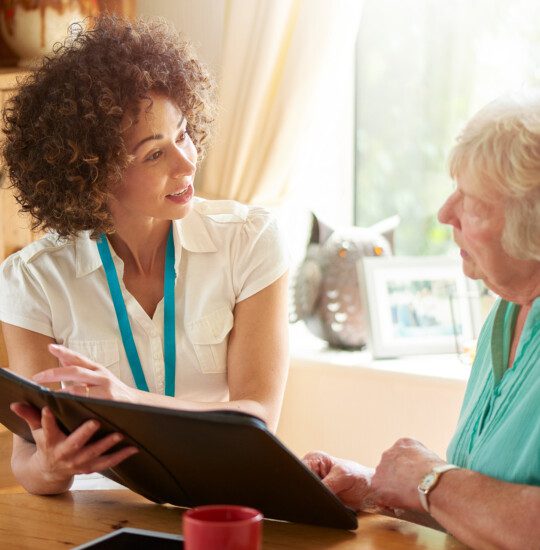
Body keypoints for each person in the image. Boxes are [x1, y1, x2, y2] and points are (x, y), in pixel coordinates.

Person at [0, 15, 289, 496]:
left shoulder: (249, 240)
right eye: (155, 154)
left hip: (223, 501)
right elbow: (28, 459)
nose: (187, 162)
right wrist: (52, 468)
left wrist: (128, 401)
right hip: (96, 515)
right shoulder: (30, 280)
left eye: (183, 134)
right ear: (93, 174)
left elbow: (258, 417)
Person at [304, 92, 540, 550]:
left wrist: (430, 480)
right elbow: (481, 511)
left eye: (471, 203)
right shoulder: (506, 311)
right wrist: (376, 488)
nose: (444, 213)